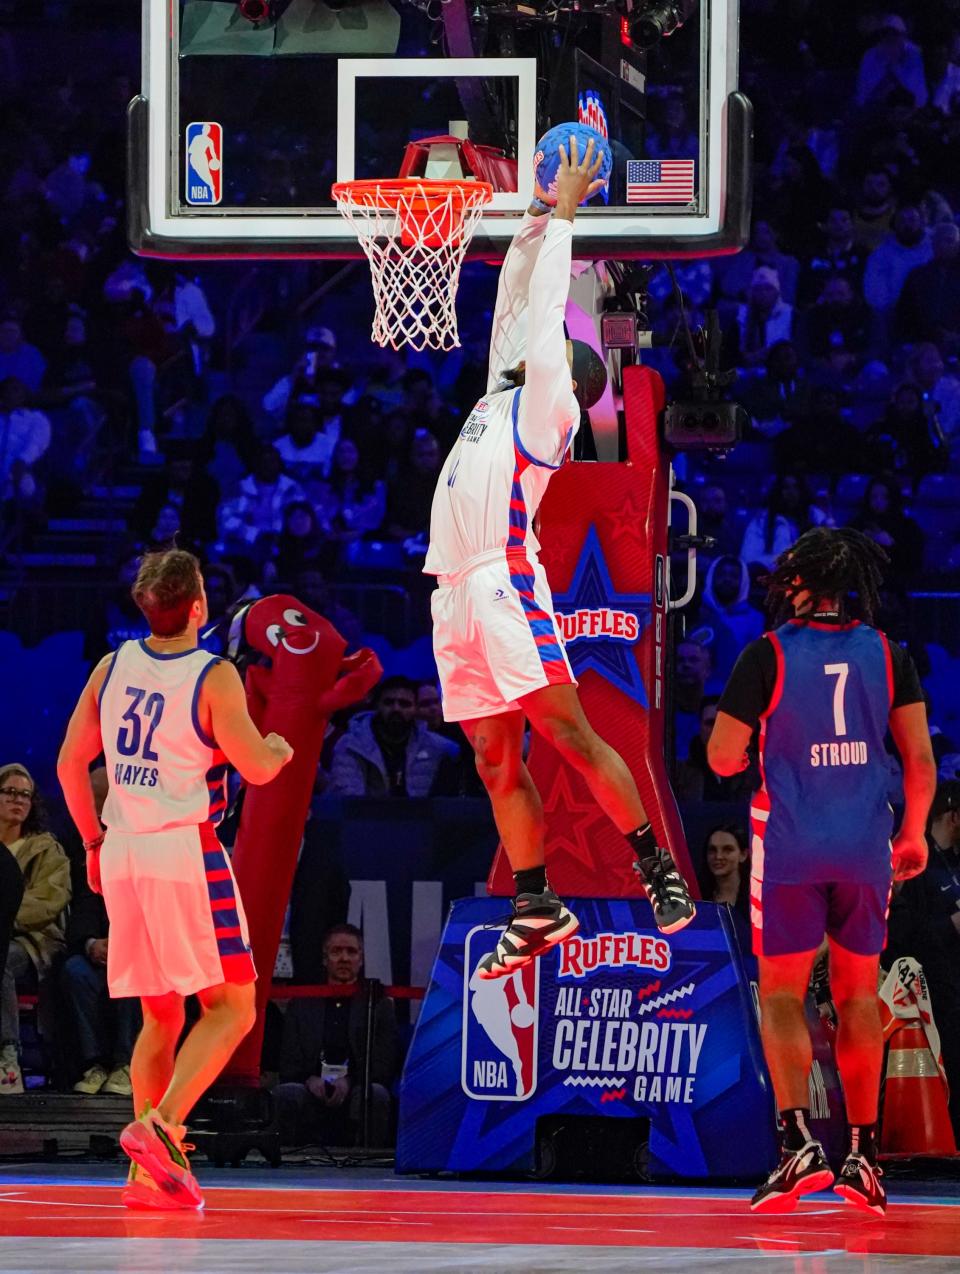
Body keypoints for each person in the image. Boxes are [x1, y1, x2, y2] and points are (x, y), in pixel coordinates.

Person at [424, 134, 696, 978]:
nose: (525, 347)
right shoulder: (498, 392)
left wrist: (567, 213)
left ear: (568, 379)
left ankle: (658, 871)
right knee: (493, 756)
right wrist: (535, 217)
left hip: (506, 582)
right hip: (454, 594)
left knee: (567, 733)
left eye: (542, 354)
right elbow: (516, 301)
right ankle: (536, 903)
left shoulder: (550, 409)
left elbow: (541, 315)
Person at [707, 527, 935, 1215]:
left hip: (791, 845)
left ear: (801, 585)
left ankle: (797, 1142)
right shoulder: (890, 655)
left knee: (780, 994)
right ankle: (863, 1155)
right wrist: (915, 832)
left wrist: (761, 751)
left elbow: (721, 757)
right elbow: (921, 760)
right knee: (858, 996)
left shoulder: (767, 654)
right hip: (867, 844)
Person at [57, 548, 294, 1210]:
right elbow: (259, 768)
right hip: (184, 851)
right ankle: (160, 1127)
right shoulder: (214, 675)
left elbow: (70, 763)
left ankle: (146, 1178)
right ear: (198, 607)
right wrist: (276, 746)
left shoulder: (112, 667)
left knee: (161, 1013)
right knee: (233, 1007)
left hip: (124, 848)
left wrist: (92, 844)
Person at [273, 924, 400, 1148]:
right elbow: (288, 1063)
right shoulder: (302, 1004)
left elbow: (384, 1065)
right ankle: (288, 1164)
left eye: (351, 952)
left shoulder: (379, 1005)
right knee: (287, 1093)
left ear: (361, 959)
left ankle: (370, 1163)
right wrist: (309, 1080)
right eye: (336, 951)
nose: (344, 958)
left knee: (376, 1093)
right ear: (325, 959)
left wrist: (350, 1081)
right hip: (312, 1088)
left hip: (357, 1088)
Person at [886, 780, 960, 1141]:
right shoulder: (915, 861)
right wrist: (948, 924)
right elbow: (901, 925)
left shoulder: (954, 861)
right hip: (923, 984)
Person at [62, 768, 141, 1097]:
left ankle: (125, 1064)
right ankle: (94, 1065)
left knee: (137, 974)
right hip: (100, 949)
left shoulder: (144, 843)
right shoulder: (81, 846)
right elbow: (83, 903)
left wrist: (125, 945)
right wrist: (91, 943)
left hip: (140, 951)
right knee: (75, 970)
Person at [0, 765, 71, 1096]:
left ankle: (7, 1058)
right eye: (10, 792)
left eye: (25, 794)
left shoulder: (46, 849)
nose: (18, 800)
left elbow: (48, 901)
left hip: (31, 944)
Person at [329, 675, 460, 798]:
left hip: (420, 821)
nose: (396, 709)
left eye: (404, 704)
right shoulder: (351, 745)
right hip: (366, 820)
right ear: (377, 706)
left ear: (415, 709)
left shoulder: (440, 748)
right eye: (389, 702)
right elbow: (348, 804)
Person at [696, 823, 750, 924]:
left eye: (727, 850)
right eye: (712, 850)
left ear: (743, 855)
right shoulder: (697, 898)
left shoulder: (757, 902)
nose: (718, 856)